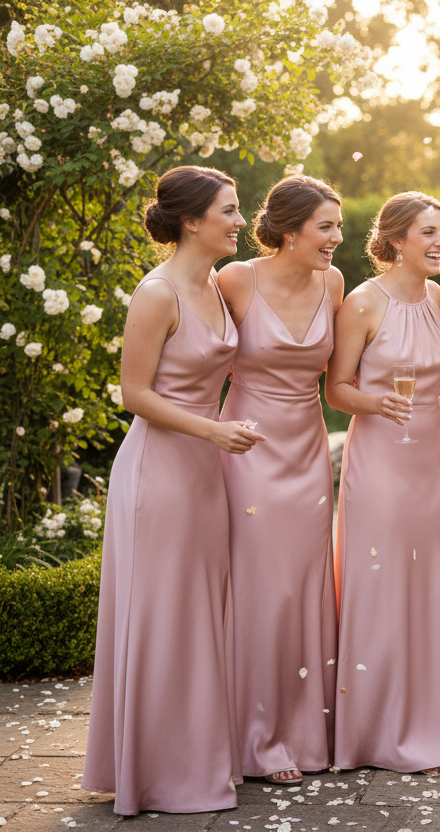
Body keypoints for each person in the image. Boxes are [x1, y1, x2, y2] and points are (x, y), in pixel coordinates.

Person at [83, 166, 261, 814]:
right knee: (161, 618)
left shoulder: (215, 285)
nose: (241, 222)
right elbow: (134, 394)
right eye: (231, 211)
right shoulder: (156, 293)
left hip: (203, 472)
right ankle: (152, 774)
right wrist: (213, 432)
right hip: (159, 471)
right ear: (192, 221)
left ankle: (195, 760)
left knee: (197, 616)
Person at [216, 175, 345, 785]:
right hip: (248, 447)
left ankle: (302, 733)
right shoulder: (237, 280)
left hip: (308, 447)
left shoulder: (335, 283)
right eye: (325, 227)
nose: (336, 239)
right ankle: (255, 738)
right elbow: (194, 348)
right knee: (261, 587)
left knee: (304, 584)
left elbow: (363, 361)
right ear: (289, 230)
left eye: (338, 227)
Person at [325, 191, 440, 773]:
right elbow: (337, 388)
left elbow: (439, 371)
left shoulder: (436, 296)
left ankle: (427, 718)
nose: (439, 243)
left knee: (425, 585)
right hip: (379, 458)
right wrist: (374, 403)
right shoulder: (361, 303)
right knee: (380, 582)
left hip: (431, 458)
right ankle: (372, 730)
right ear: (397, 240)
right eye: (427, 233)